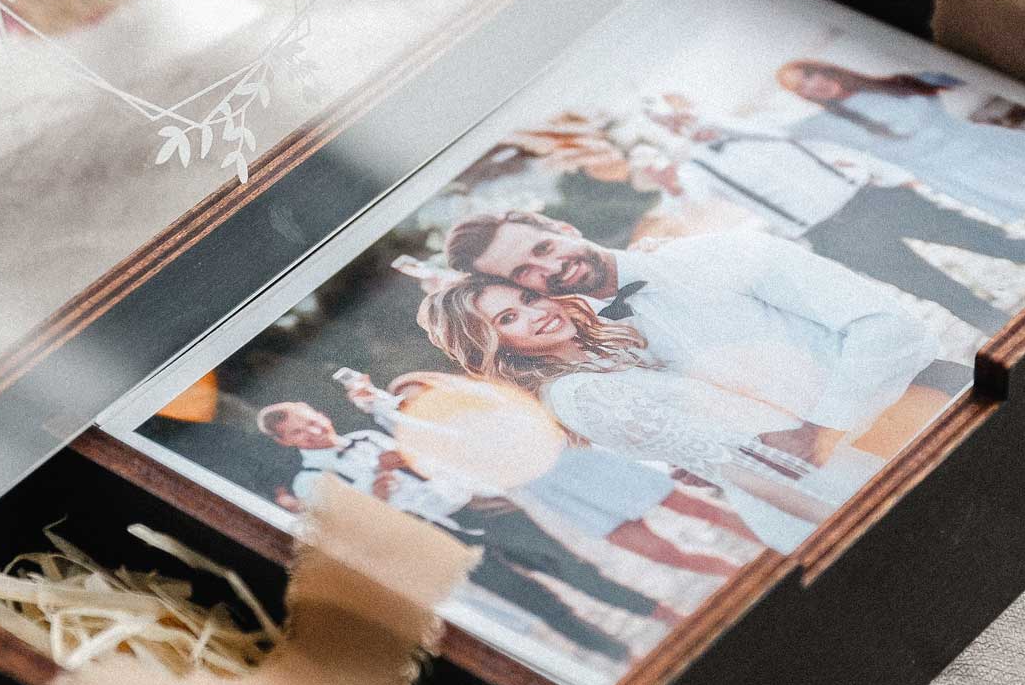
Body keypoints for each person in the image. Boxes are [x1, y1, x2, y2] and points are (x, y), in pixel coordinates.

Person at [441, 208, 956, 464]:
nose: (550, 266)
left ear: (564, 228)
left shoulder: (721, 254)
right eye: (526, 273)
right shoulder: (608, 340)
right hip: (851, 466)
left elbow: (888, 328)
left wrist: (823, 428)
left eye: (544, 246)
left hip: (928, 403)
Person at [416, 282, 839, 553]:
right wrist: (836, 517)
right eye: (508, 319)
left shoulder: (600, 356)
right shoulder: (581, 393)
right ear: (495, 344)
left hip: (808, 456)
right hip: (803, 490)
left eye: (528, 298)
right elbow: (739, 469)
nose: (535, 313)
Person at [640, 97, 1025, 336]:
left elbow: (818, 142)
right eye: (673, 127)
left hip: (873, 199)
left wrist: (893, 178)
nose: (684, 126)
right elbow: (688, 201)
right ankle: (1015, 337)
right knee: (933, 288)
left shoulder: (761, 125)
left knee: (993, 242)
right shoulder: (698, 170)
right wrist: (668, 176)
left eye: (682, 116)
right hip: (833, 234)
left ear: (694, 109)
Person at [255, 399, 652, 662]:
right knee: (534, 600)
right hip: (436, 539)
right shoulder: (309, 481)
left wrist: (414, 458)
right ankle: (625, 658)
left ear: (319, 413)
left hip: (479, 508)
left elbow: (437, 460)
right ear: (285, 442)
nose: (312, 431)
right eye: (298, 433)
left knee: (574, 567)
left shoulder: (368, 436)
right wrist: (375, 489)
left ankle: (663, 613)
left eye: (310, 421)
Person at [367, 371, 759, 582]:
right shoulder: (435, 451)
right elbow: (463, 484)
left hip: (578, 463)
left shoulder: (487, 401)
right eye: (408, 403)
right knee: (661, 553)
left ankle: (776, 543)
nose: (418, 403)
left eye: (421, 393)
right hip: (552, 493)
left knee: (696, 508)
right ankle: (743, 576)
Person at [777, 58, 1025, 229]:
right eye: (801, 87)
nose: (812, 85)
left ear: (824, 68)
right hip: (971, 176)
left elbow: (961, 69)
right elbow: (774, 136)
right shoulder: (828, 125)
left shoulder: (898, 83)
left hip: (996, 149)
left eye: (809, 74)